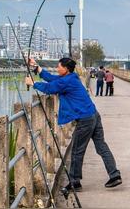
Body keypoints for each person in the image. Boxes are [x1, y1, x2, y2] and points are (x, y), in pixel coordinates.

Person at [25, 58, 122, 192]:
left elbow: (50, 88)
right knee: (101, 146)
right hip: (94, 115)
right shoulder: (71, 77)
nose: (57, 69)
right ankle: (115, 175)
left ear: (66, 69)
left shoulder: (67, 81)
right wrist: (37, 68)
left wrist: (34, 83)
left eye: (59, 67)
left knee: (77, 151)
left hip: (85, 119)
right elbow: (53, 79)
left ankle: (74, 182)